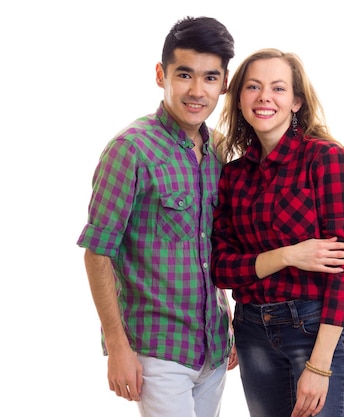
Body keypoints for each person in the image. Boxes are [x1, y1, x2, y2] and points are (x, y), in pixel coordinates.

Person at [76, 16, 237, 417]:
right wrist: (117, 347)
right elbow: (97, 254)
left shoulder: (219, 150)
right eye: (184, 75)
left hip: (213, 348)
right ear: (160, 74)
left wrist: (228, 320)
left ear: (225, 83)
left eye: (210, 78)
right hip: (158, 349)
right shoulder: (130, 150)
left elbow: (210, 247)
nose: (197, 91)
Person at [211, 48, 344, 417]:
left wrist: (319, 364)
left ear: (296, 101)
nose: (265, 96)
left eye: (278, 88)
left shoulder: (328, 160)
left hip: (314, 329)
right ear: (240, 99)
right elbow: (220, 267)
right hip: (251, 332)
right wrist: (289, 255)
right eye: (253, 86)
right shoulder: (233, 176)